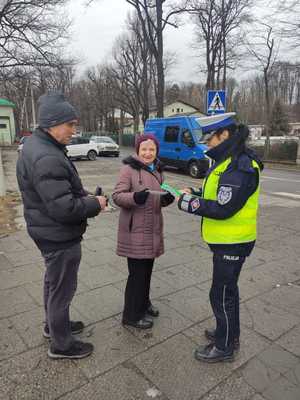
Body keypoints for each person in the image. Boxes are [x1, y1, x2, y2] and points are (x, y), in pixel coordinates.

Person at [16, 92, 107, 359]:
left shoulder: (39, 146)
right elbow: (64, 207)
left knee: (53, 283)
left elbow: (59, 191)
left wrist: (84, 194)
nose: (73, 130)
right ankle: (62, 345)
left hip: (46, 230)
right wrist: (96, 204)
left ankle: (53, 326)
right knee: (62, 289)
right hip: (57, 235)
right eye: (71, 124)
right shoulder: (47, 155)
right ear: (53, 124)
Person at [177, 122, 263, 363]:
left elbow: (224, 207)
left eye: (209, 136)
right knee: (228, 291)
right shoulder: (227, 161)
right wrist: (195, 192)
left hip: (233, 242)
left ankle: (224, 347)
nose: (205, 142)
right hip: (227, 241)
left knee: (221, 294)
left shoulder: (239, 166)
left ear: (224, 135)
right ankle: (228, 334)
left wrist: (189, 204)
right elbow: (218, 194)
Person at [112, 134, 174, 329]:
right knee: (136, 275)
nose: (148, 153)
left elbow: (158, 196)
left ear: (156, 151)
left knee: (147, 272)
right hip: (135, 231)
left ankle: (144, 304)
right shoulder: (128, 170)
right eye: (144, 149)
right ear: (137, 151)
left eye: (152, 149)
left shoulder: (158, 170)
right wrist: (135, 198)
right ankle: (131, 315)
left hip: (153, 229)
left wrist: (165, 199)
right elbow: (117, 196)